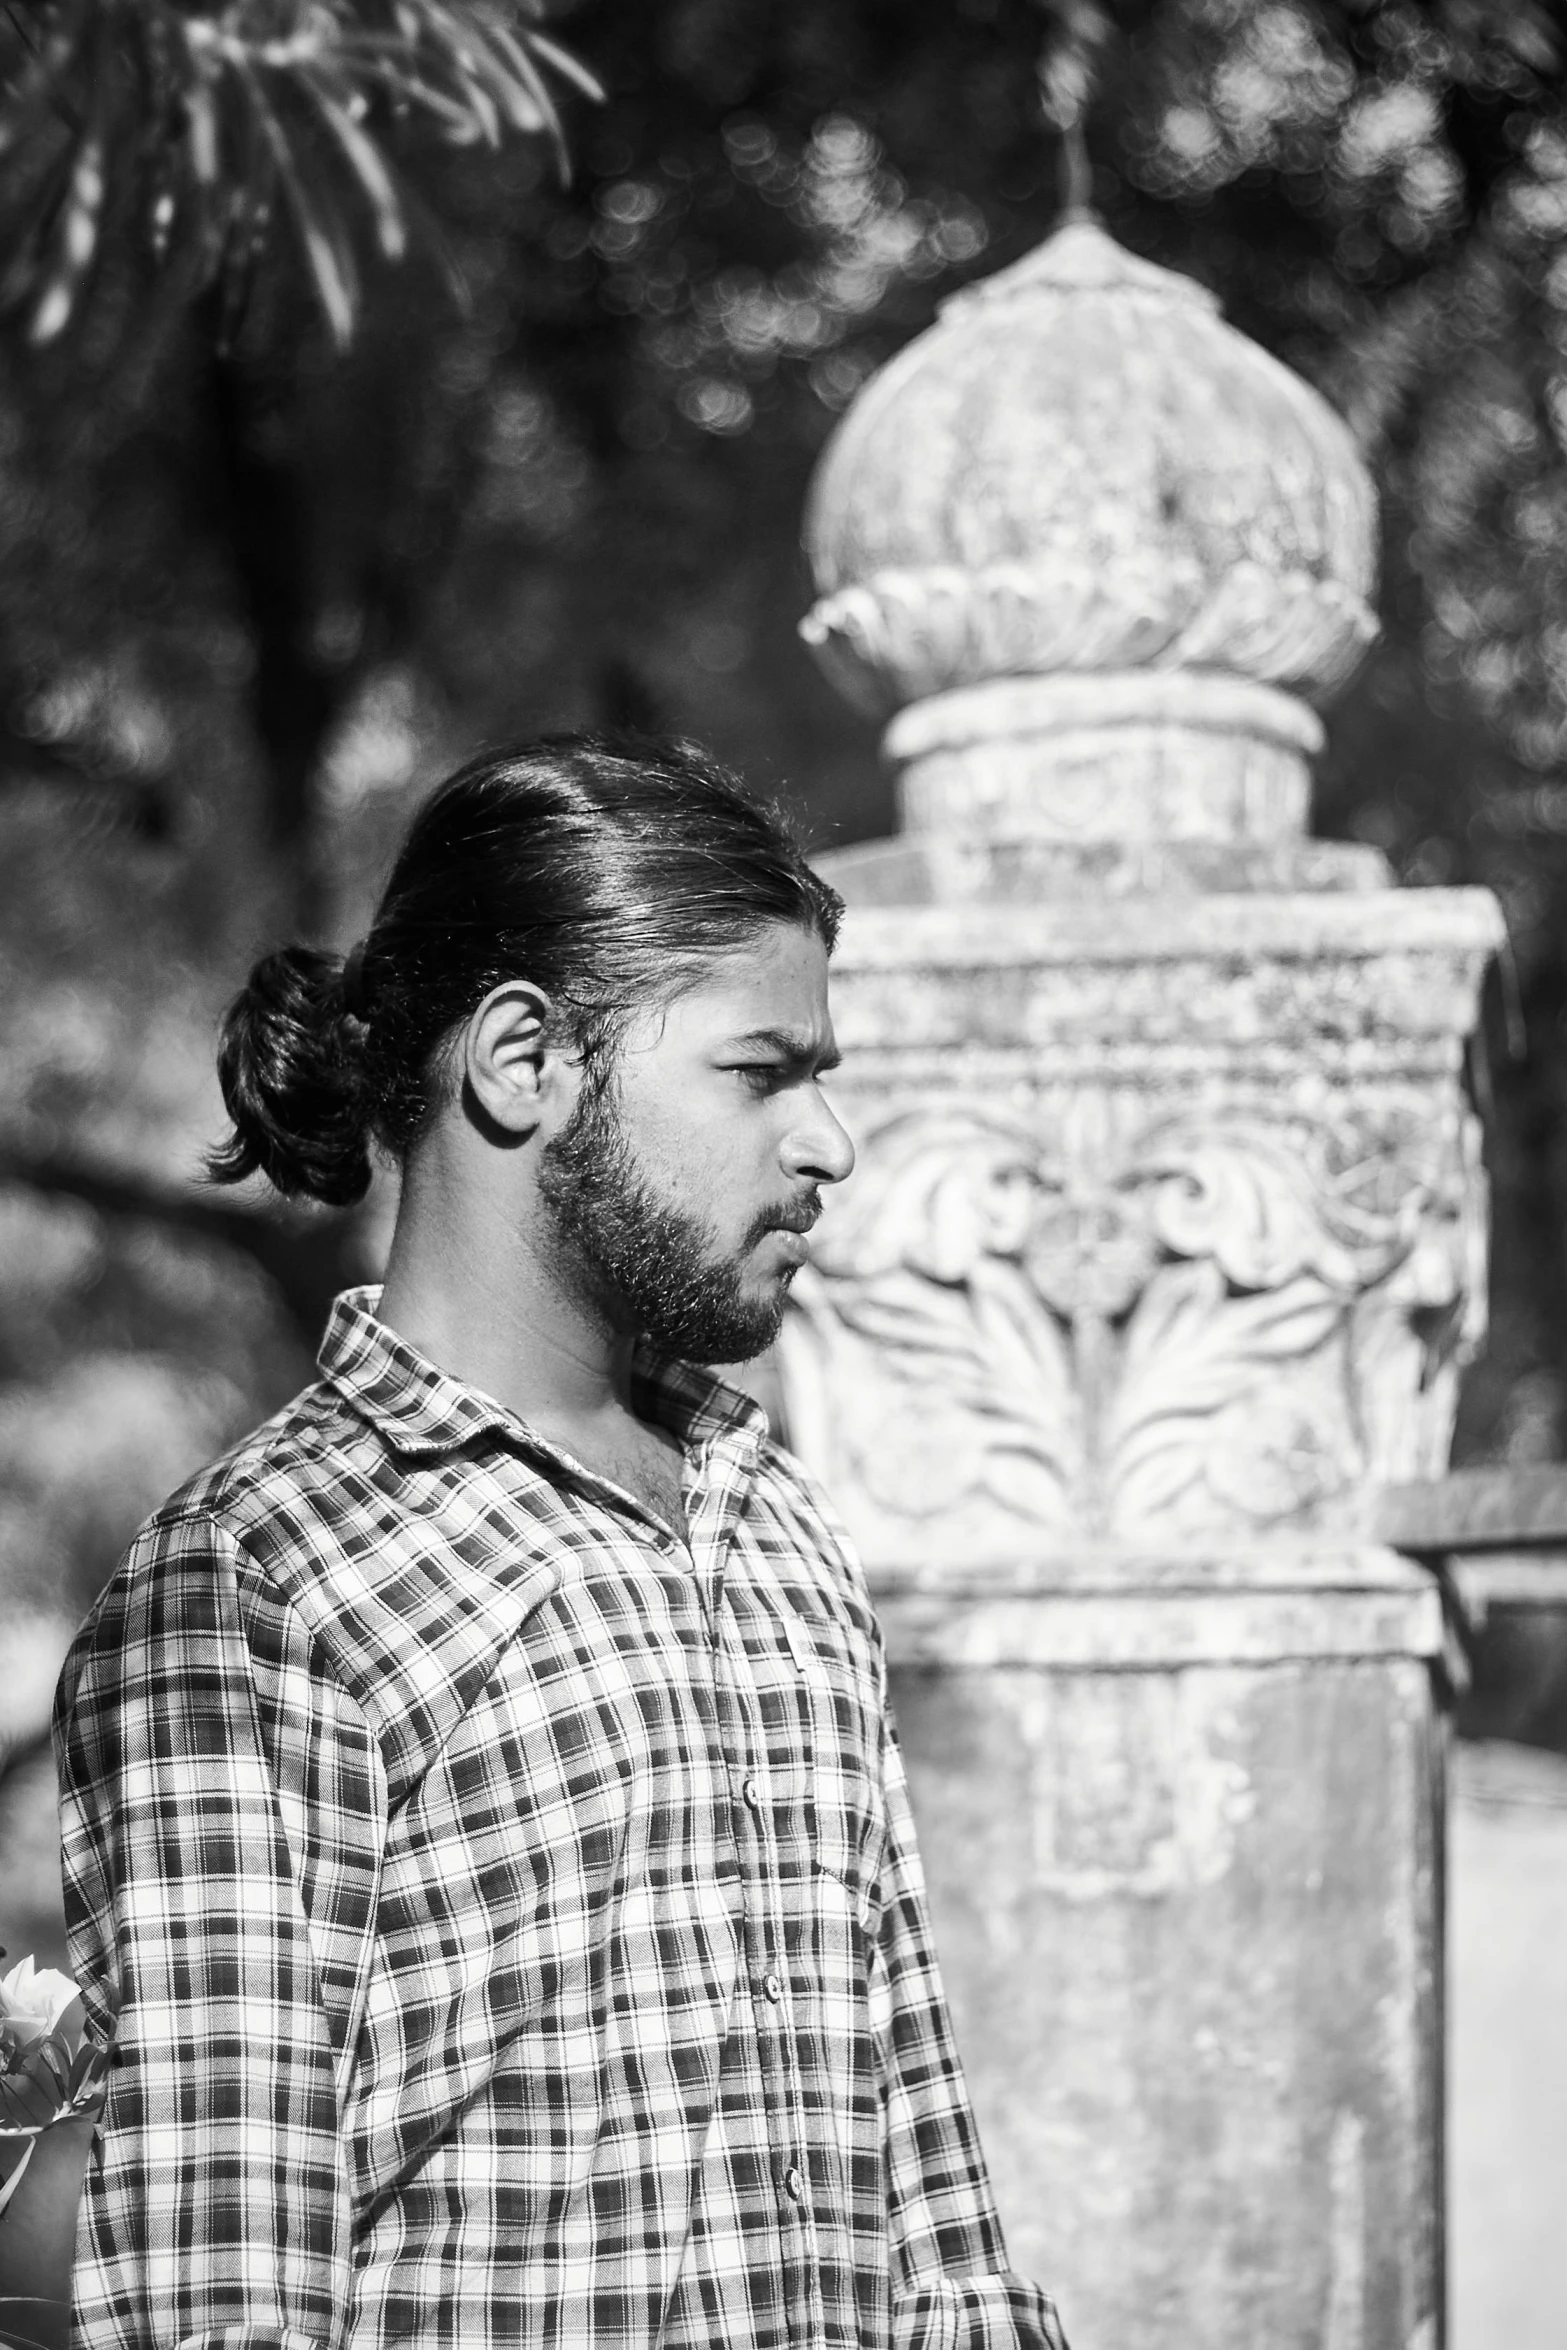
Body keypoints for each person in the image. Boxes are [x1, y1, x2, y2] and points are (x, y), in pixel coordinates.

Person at [53, 735, 1068, 2350]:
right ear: (524, 1058)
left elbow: (929, 2185)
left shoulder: (776, 1522)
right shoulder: (253, 1590)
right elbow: (218, 2299)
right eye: (761, 1069)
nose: (830, 1142)